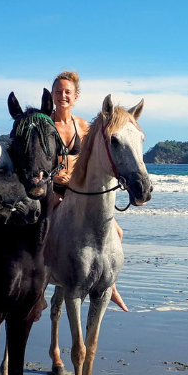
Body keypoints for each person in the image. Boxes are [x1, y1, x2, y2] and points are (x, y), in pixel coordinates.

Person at [51, 71, 128, 312]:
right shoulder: (45, 123)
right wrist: (54, 174)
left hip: (78, 191)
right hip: (51, 189)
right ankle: (38, 282)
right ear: (52, 94)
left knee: (116, 230)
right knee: (38, 228)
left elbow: (91, 161)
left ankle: (110, 285)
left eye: (68, 92)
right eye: (58, 91)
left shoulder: (83, 125)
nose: (63, 95)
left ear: (75, 97)